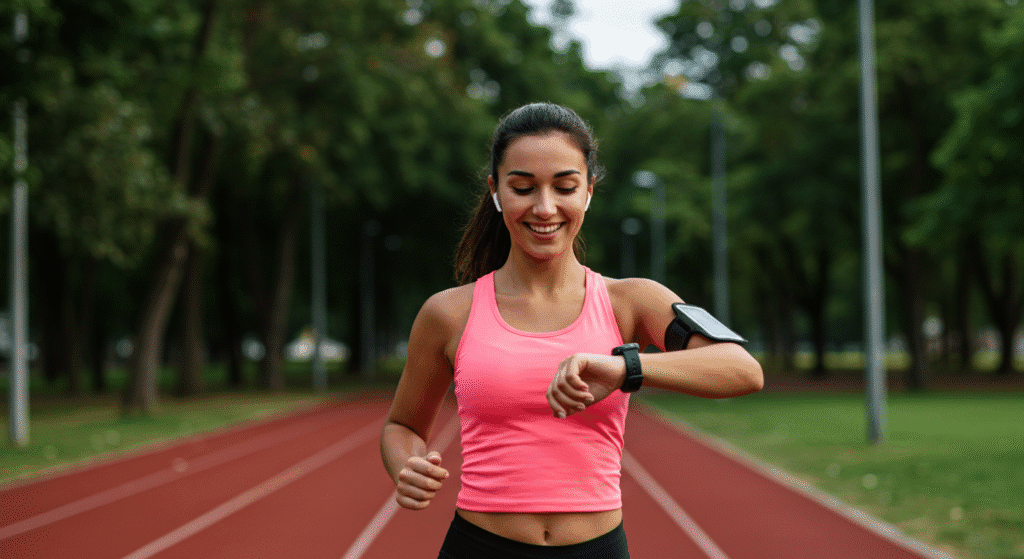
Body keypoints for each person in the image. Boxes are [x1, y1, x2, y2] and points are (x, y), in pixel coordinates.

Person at [380, 102, 763, 558]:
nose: (545, 208)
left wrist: (624, 368)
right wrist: (408, 466)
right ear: (496, 191)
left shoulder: (631, 301)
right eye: (522, 188)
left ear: (589, 191)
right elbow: (402, 426)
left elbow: (742, 369)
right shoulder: (448, 313)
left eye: (564, 187)